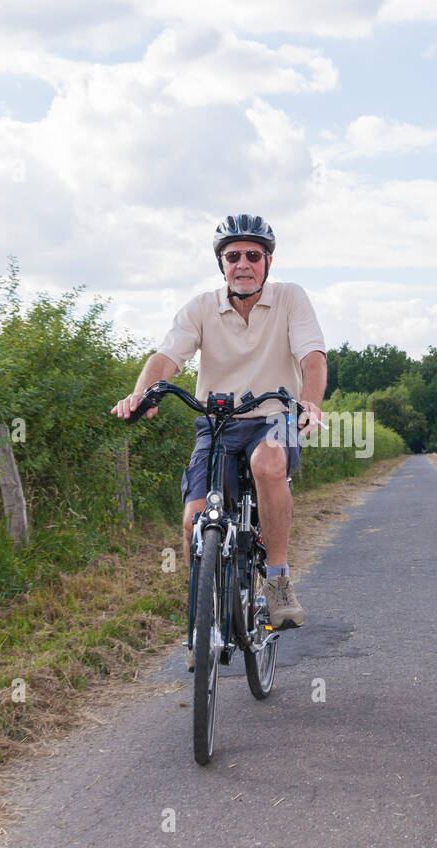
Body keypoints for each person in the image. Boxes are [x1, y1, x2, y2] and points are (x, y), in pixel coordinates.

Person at [110, 214, 327, 630]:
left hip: (275, 416)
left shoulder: (290, 298)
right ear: (221, 264)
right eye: (232, 256)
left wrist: (310, 404)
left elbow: (312, 357)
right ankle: (205, 617)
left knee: (267, 464)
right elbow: (166, 357)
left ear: (267, 261)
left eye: (253, 255)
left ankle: (278, 582)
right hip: (218, 424)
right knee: (195, 519)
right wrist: (143, 393)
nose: (242, 264)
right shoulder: (202, 308)